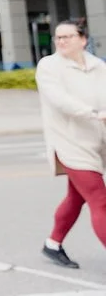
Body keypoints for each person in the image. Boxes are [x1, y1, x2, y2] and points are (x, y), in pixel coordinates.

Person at [36, 19, 106, 269]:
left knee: (76, 197)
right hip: (69, 142)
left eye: (68, 37)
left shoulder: (98, 67)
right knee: (100, 199)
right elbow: (60, 101)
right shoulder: (49, 67)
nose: (62, 41)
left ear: (83, 40)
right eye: (58, 37)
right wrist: (93, 112)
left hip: (98, 142)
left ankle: (53, 244)